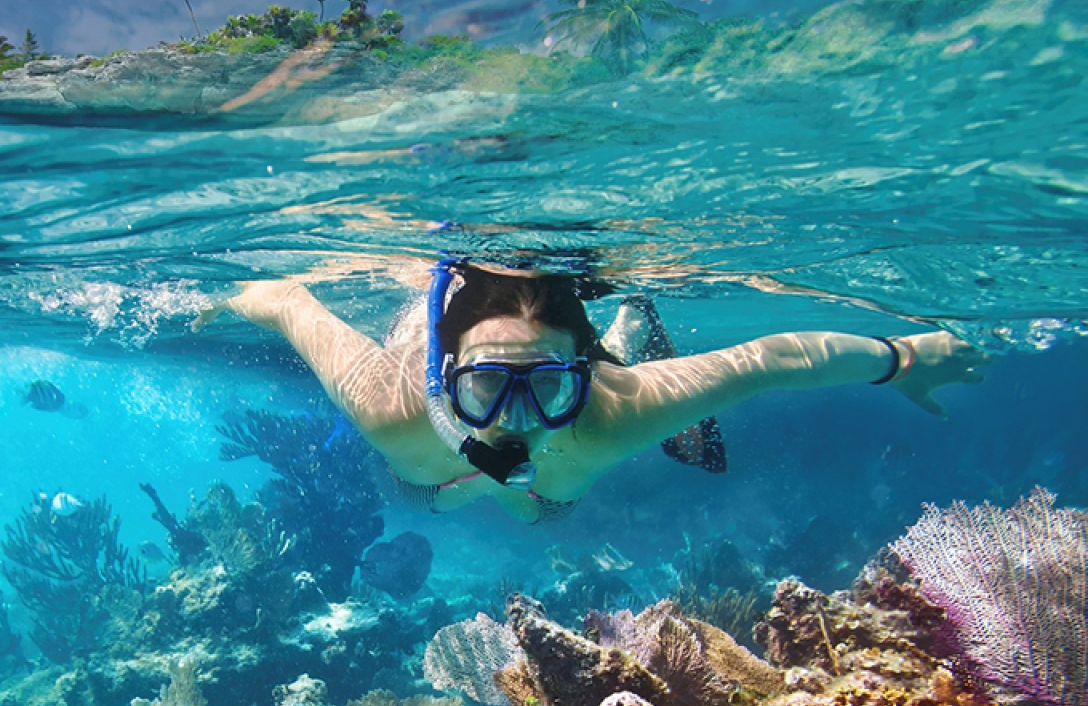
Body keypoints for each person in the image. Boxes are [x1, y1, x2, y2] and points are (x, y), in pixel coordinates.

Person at [193, 260, 989, 523]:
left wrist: (902, 355)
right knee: (422, 493)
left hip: (584, 404)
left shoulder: (614, 409)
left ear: (582, 375)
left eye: (544, 386)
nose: (512, 419)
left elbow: (771, 358)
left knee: (544, 507)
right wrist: (226, 297)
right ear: (444, 379)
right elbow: (289, 298)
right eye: (485, 386)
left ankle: (627, 332)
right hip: (431, 467)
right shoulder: (391, 407)